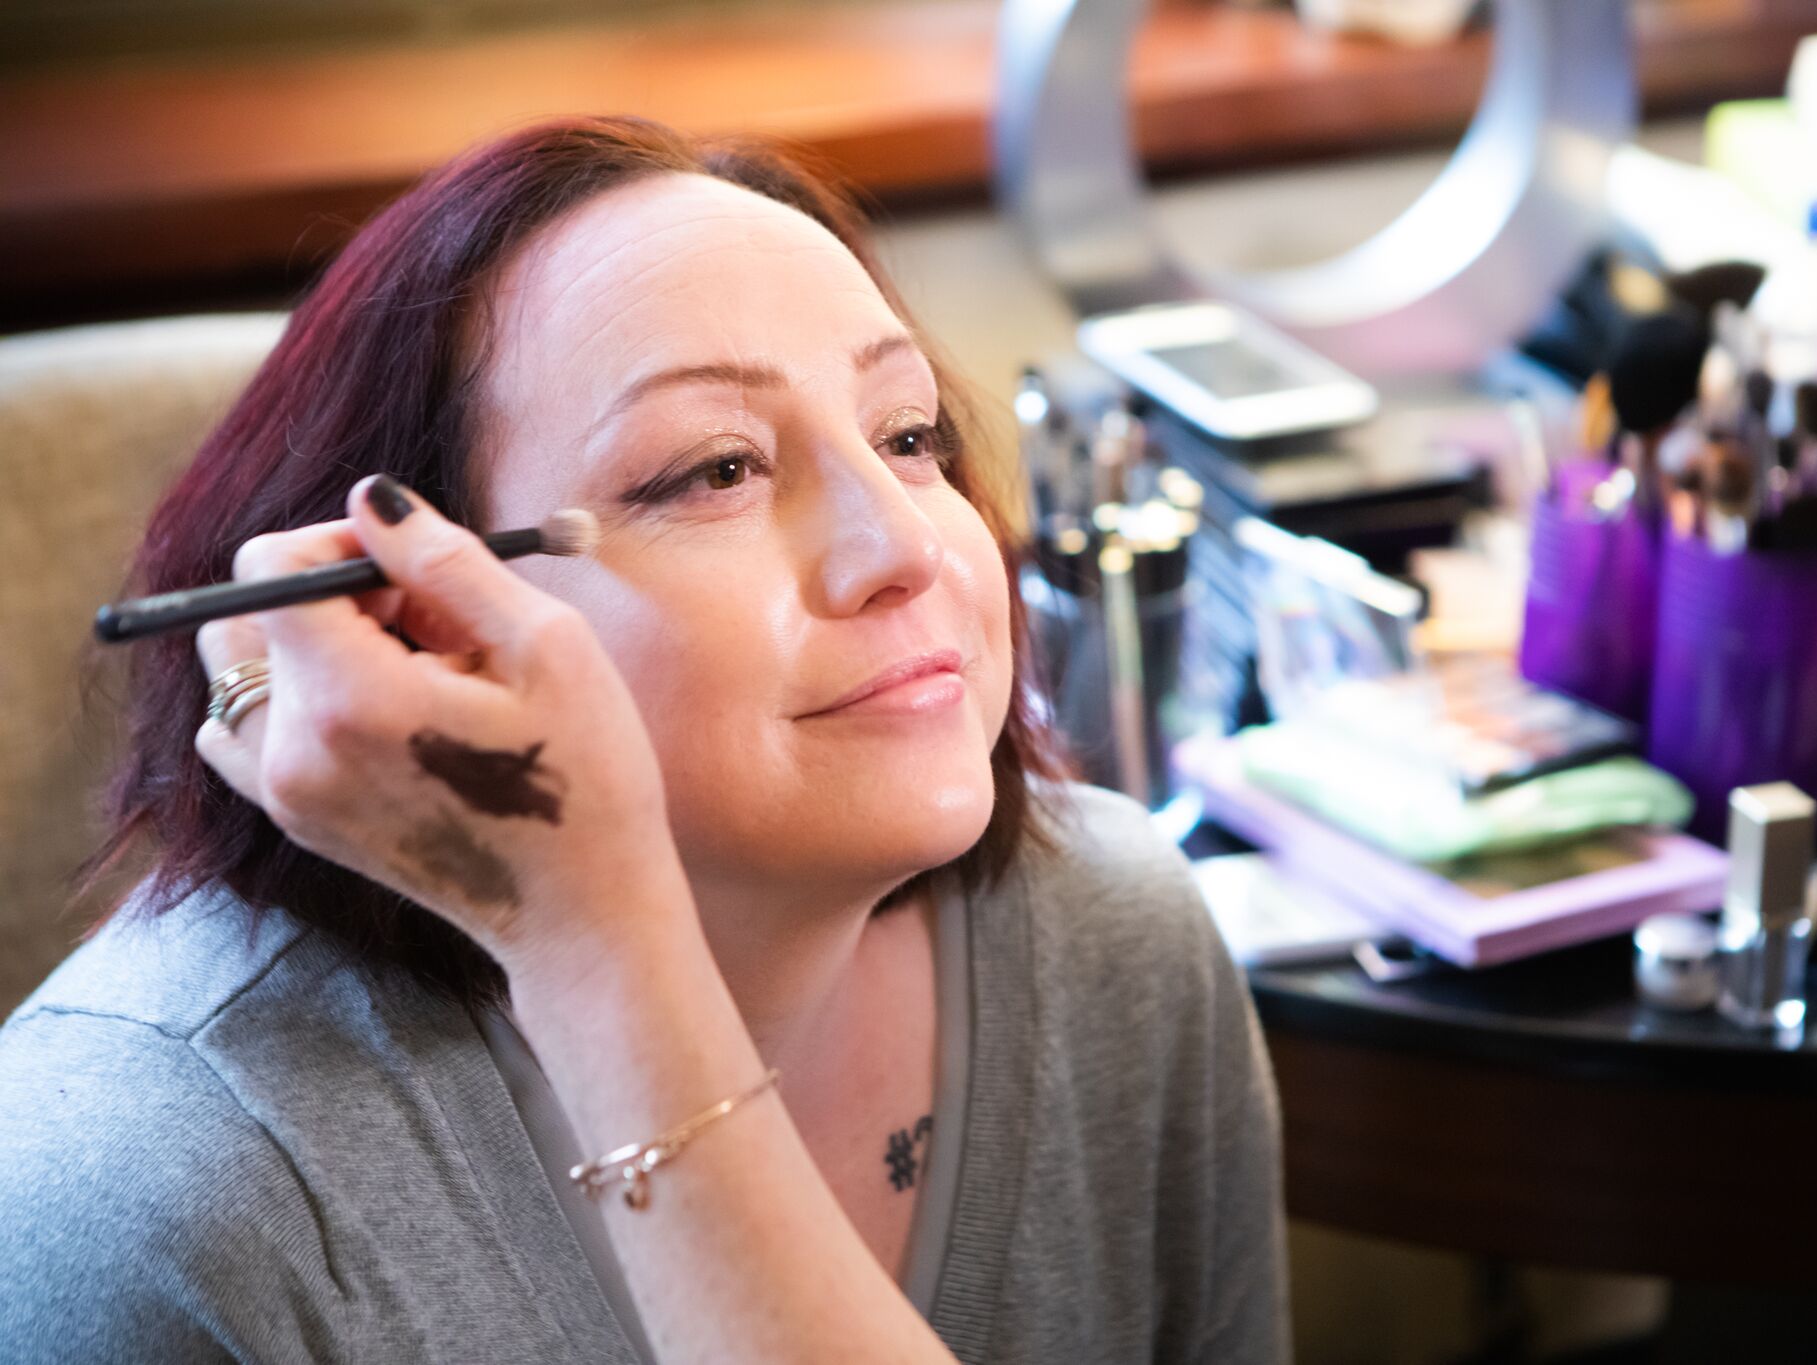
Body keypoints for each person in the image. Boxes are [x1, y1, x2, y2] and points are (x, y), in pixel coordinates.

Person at [0, 117, 1288, 1362]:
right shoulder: (141, 1187)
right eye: (717, 470)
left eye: (908, 437)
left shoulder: (1120, 939)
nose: (905, 549)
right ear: (405, 621)